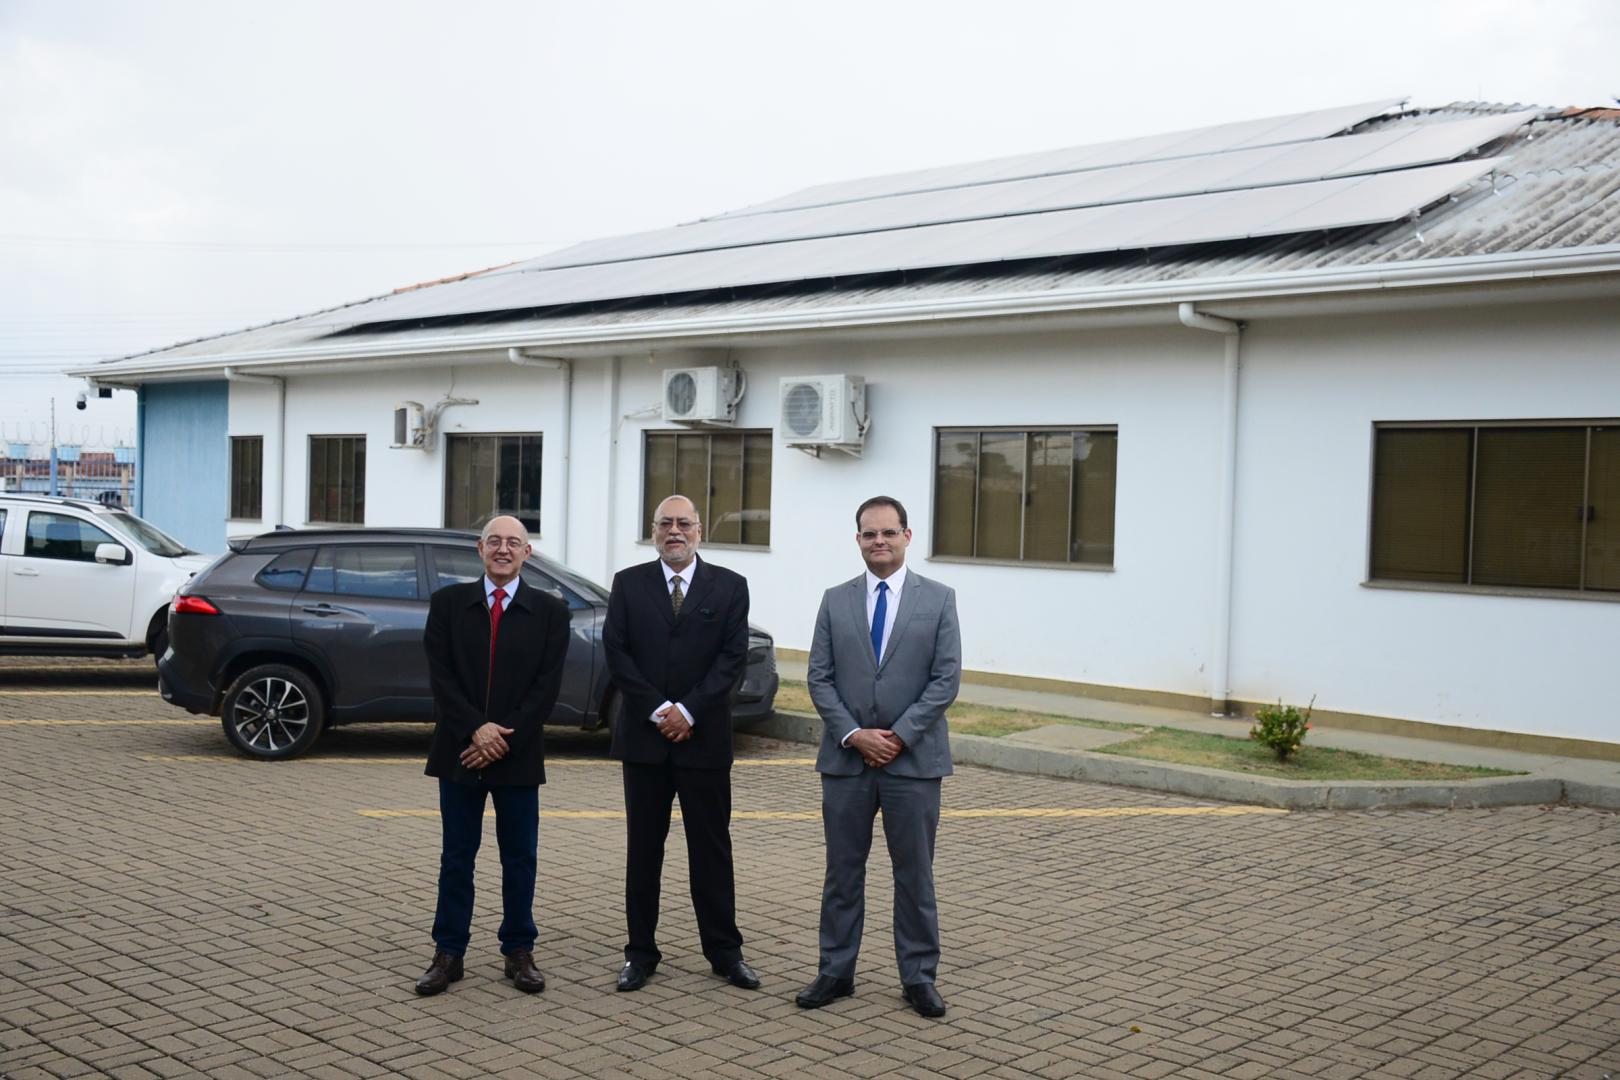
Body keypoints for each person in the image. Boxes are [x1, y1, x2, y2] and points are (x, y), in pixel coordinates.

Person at [797, 495, 961, 1018]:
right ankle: (835, 971)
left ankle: (919, 977)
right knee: (842, 873)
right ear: (858, 540)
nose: (879, 541)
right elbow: (819, 677)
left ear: (907, 536)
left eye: (889, 532)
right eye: (870, 534)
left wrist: (898, 736)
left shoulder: (939, 599)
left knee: (915, 876)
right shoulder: (835, 600)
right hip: (846, 762)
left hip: (913, 763)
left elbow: (945, 680)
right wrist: (854, 735)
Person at [602, 494, 761, 992]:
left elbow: (732, 659)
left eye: (684, 523)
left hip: (703, 740)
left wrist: (688, 710)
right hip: (644, 742)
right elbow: (617, 654)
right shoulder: (628, 584)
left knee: (711, 850)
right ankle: (640, 953)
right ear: (653, 532)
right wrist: (658, 710)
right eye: (665, 523)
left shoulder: (730, 587)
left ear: (699, 530)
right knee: (643, 851)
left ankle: (725, 952)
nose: (675, 531)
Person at [414, 516, 571, 996]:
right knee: (456, 857)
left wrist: (502, 739)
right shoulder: (448, 604)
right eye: (495, 541)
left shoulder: (550, 611)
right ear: (480, 549)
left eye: (514, 543)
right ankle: (449, 952)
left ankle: (518, 950)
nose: (504, 549)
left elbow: (546, 688)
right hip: (459, 751)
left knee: (520, 858)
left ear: (527, 553)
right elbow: (441, 676)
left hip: (517, 755)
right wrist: (475, 730)